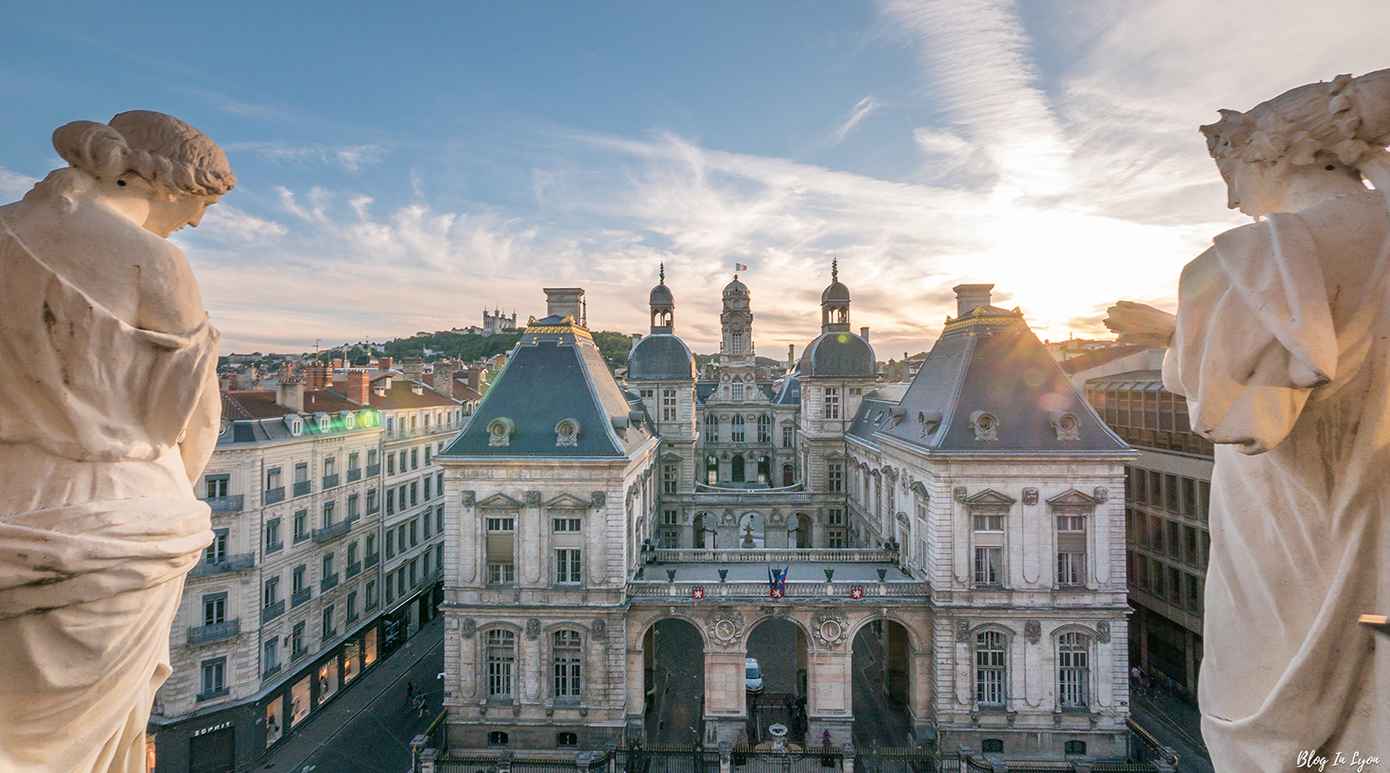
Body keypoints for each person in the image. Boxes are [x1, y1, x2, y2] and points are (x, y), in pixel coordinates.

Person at [1106, 70, 1390, 769]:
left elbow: (1224, 405)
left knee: (1269, 727)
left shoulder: (1247, 262)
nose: (1231, 193)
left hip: (1294, 524)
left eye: (1231, 166)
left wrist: (1175, 331)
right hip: (1374, 515)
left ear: (1276, 154)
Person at [0, 112, 232, 772]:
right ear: (163, 181)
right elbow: (192, 423)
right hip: (117, 519)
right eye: (201, 202)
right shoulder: (156, 262)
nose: (196, 222)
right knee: (87, 751)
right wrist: (165, 497)